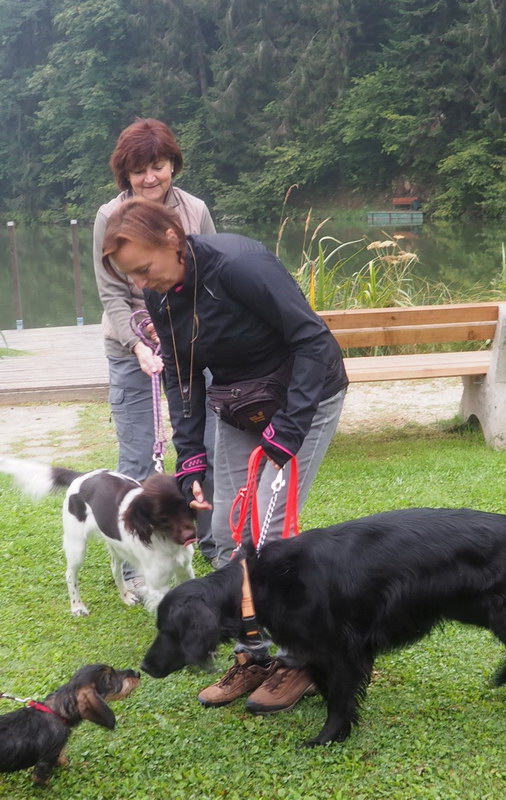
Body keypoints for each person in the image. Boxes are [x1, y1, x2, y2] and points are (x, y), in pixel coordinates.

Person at [102, 197, 348, 714]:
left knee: (270, 539)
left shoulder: (239, 266)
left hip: (304, 395)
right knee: (228, 533)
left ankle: (302, 660)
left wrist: (290, 428)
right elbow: (181, 373)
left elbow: (313, 340)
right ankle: (253, 654)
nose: (143, 284)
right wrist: (191, 454)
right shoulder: (162, 295)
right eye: (133, 277)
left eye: (144, 269)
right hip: (240, 402)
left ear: (172, 239)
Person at [92, 118, 218, 574]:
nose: (150, 178)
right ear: (124, 173)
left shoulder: (195, 210)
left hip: (192, 350)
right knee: (138, 457)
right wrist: (139, 344)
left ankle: (211, 545)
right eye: (139, 170)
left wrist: (190, 337)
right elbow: (112, 293)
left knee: (205, 451)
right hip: (132, 350)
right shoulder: (108, 217)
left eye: (158, 166)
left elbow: (211, 276)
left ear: (173, 165)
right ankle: (134, 558)